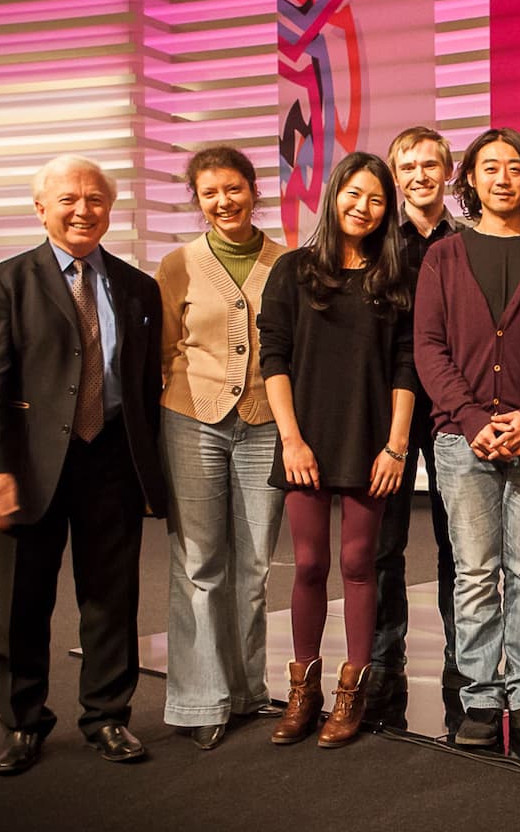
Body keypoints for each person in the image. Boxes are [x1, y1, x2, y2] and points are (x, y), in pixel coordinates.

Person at [0, 154, 167, 775]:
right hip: (29, 468)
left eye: (96, 200)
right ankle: (23, 723)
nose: (83, 210)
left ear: (111, 208)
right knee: (23, 602)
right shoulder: (5, 281)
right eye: (69, 200)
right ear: (41, 208)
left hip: (112, 461)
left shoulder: (138, 287)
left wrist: (153, 474)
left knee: (111, 598)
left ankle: (107, 716)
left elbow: (144, 384)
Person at [414, 127, 520, 747]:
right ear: (472, 181)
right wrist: (470, 419)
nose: (503, 178)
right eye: (490, 167)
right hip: (462, 441)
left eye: (514, 167)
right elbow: (429, 349)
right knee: (474, 573)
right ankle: (482, 697)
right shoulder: (442, 257)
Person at [260, 152, 417, 748]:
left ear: (386, 210)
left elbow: (407, 365)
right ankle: (304, 688)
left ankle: (351, 690)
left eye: (377, 199)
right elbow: (273, 357)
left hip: (371, 440)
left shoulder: (395, 279)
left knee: (358, 564)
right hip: (306, 439)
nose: (364, 206)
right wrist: (291, 439)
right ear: (334, 197)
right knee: (307, 565)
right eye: (354, 193)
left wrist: (396, 447)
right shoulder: (294, 270)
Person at [155, 146, 289, 750]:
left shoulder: (285, 263)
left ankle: (246, 691)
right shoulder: (177, 265)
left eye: (233, 189)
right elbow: (162, 350)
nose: (223, 202)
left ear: (253, 191)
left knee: (255, 567)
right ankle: (199, 699)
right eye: (210, 193)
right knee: (200, 564)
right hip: (192, 421)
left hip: (263, 424)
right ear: (198, 199)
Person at [365, 126, 466, 708]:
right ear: (395, 175)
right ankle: (384, 656)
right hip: (390, 408)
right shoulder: (375, 242)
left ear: (449, 172)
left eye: (431, 164)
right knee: (385, 541)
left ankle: (462, 656)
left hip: (452, 407)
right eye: (408, 166)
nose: (421, 175)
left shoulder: (469, 241)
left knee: (458, 540)